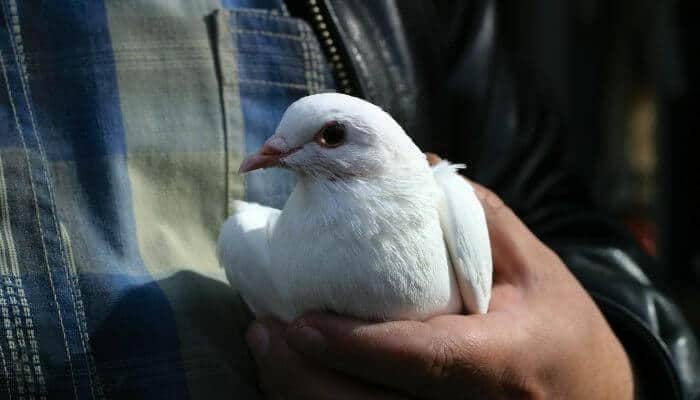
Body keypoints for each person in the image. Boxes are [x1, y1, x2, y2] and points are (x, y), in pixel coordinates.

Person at [0, 0, 696, 399]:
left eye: (330, 137)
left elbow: (570, 226)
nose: (270, 157)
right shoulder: (256, 245)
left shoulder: (451, 201)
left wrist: (607, 373)